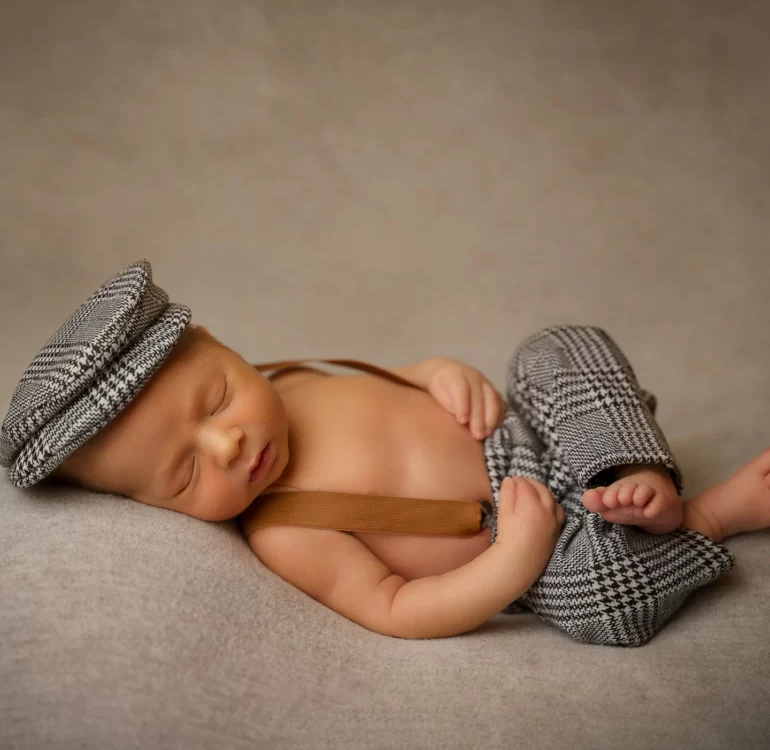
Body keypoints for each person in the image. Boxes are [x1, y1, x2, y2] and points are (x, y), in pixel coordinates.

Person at [2, 260, 767, 646]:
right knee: (600, 595)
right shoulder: (285, 529)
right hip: (537, 542)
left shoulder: (291, 378)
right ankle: (710, 514)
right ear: (155, 507)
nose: (228, 444)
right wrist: (513, 563)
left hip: (533, 435)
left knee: (555, 347)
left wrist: (438, 375)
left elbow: (394, 382)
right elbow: (394, 607)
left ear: (219, 344)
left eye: (215, 400)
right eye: (186, 472)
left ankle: (627, 469)